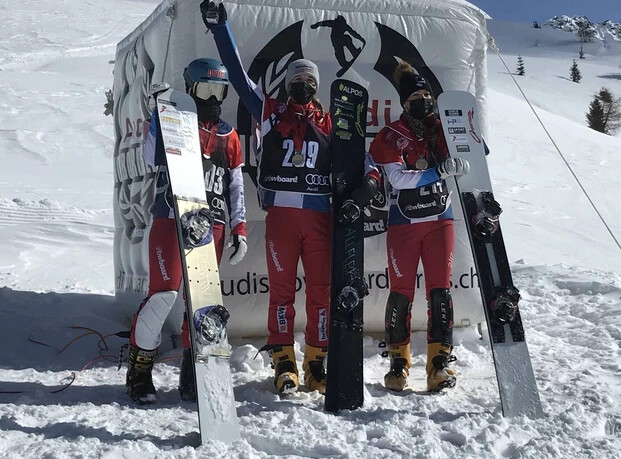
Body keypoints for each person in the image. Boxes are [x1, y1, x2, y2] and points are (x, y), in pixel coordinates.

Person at [200, 1, 380, 395]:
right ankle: (284, 361)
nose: (304, 87)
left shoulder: (330, 122)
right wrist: (220, 29)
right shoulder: (269, 111)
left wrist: (369, 181)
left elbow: (362, 157)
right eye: (299, 80)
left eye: (311, 83)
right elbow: (237, 75)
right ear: (288, 83)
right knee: (281, 292)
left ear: (318, 88)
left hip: (319, 218)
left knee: (320, 293)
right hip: (281, 216)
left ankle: (317, 363)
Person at [126, 57, 248, 404]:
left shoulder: (229, 136)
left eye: (219, 91)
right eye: (206, 90)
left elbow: (236, 186)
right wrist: (158, 114)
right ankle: (139, 370)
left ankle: (194, 372)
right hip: (171, 217)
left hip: (214, 225)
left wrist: (239, 227)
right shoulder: (176, 124)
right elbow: (151, 157)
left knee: (201, 304)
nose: (213, 98)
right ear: (191, 89)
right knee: (163, 295)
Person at [369, 62, 469, 393]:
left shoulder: (441, 128)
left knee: (440, 292)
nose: (424, 101)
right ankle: (399, 362)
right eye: (416, 96)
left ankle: (439, 363)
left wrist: (466, 131)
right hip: (405, 224)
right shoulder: (391, 135)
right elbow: (397, 178)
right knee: (401, 294)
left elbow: (478, 154)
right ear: (404, 102)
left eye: (428, 95)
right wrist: (439, 172)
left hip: (440, 220)